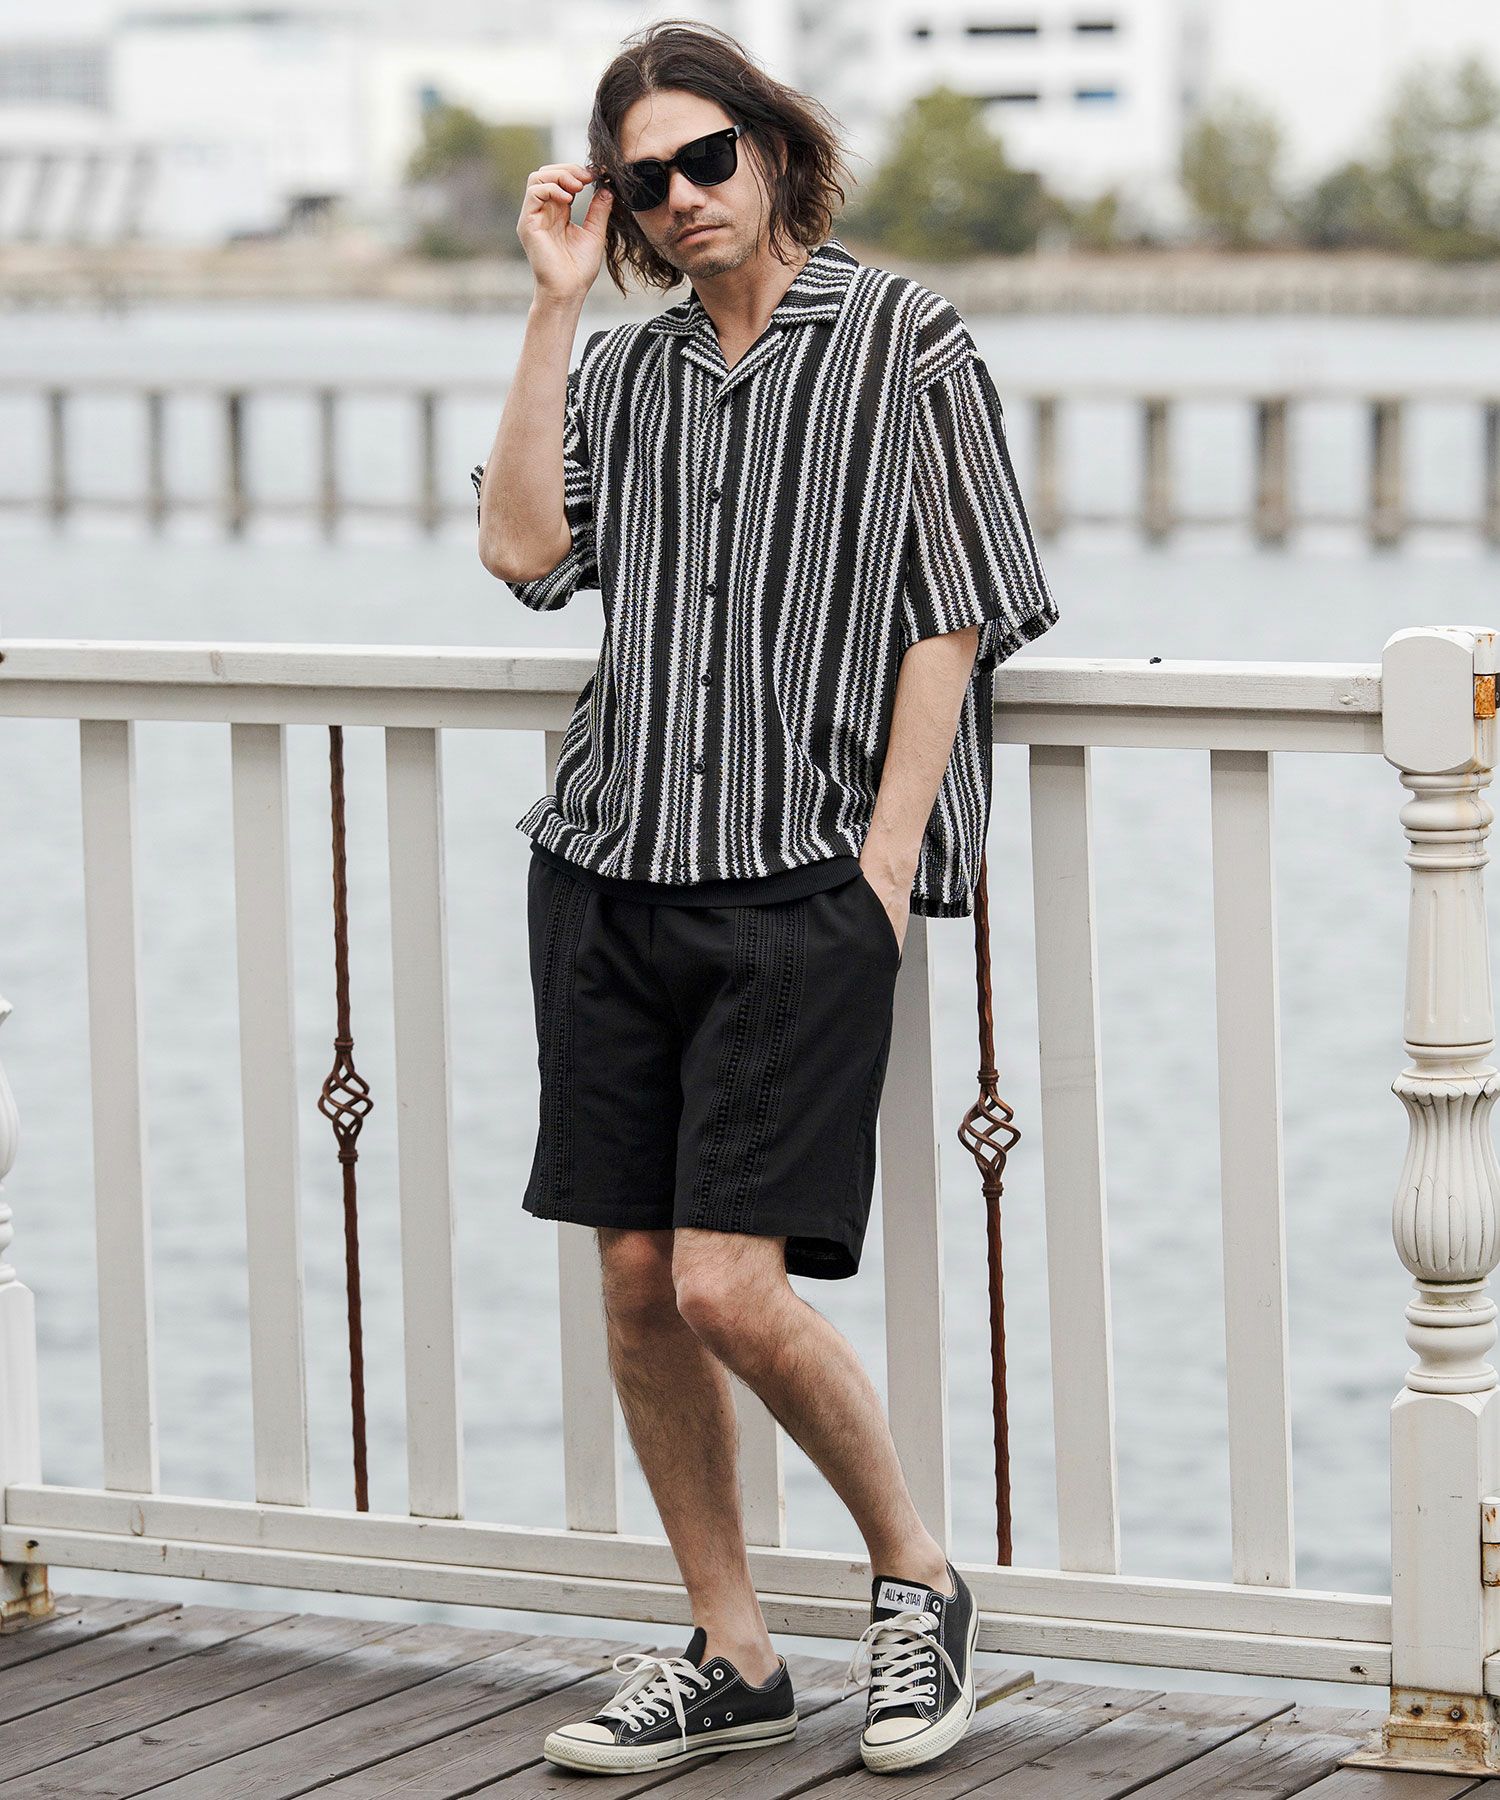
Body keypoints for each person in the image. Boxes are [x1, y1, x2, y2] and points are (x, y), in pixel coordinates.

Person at [472, 18, 1057, 1779]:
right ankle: (732, 1651)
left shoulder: (905, 337)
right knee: (637, 1282)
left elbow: (957, 611)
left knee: (731, 1285)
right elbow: (520, 549)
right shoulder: (628, 368)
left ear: (775, 147)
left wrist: (880, 870)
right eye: (644, 177)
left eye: (704, 157)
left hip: (799, 880)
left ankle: (918, 1581)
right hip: (608, 864)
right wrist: (555, 304)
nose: (680, 197)